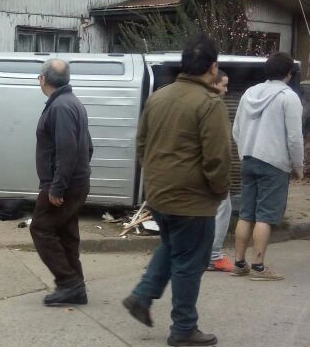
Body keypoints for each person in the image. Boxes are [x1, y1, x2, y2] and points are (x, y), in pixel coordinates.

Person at [122, 38, 230, 347]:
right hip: (192, 202)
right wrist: (220, 191)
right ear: (212, 67)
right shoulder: (209, 104)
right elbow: (217, 158)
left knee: (172, 248)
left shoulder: (159, 97)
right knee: (190, 263)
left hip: (159, 195)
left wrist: (156, 177)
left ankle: (141, 296)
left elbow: (141, 143)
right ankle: (184, 328)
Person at [231, 52, 304, 281]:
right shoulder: (288, 97)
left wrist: (245, 152)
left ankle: (239, 263)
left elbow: (236, 130)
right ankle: (259, 267)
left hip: (249, 158)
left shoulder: (249, 93)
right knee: (265, 215)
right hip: (274, 163)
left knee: (246, 213)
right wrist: (298, 165)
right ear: (289, 73)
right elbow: (294, 137)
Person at [30, 58, 93, 306]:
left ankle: (69, 284)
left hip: (64, 185)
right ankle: (76, 285)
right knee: (66, 233)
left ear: (43, 79)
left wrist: (57, 186)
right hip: (75, 182)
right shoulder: (72, 102)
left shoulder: (61, 107)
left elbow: (67, 149)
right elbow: (87, 147)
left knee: (41, 228)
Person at [207, 70, 234, 272]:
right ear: (214, 83)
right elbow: (218, 145)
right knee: (223, 208)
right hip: (210, 170)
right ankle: (213, 255)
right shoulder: (214, 106)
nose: (226, 89)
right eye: (223, 85)